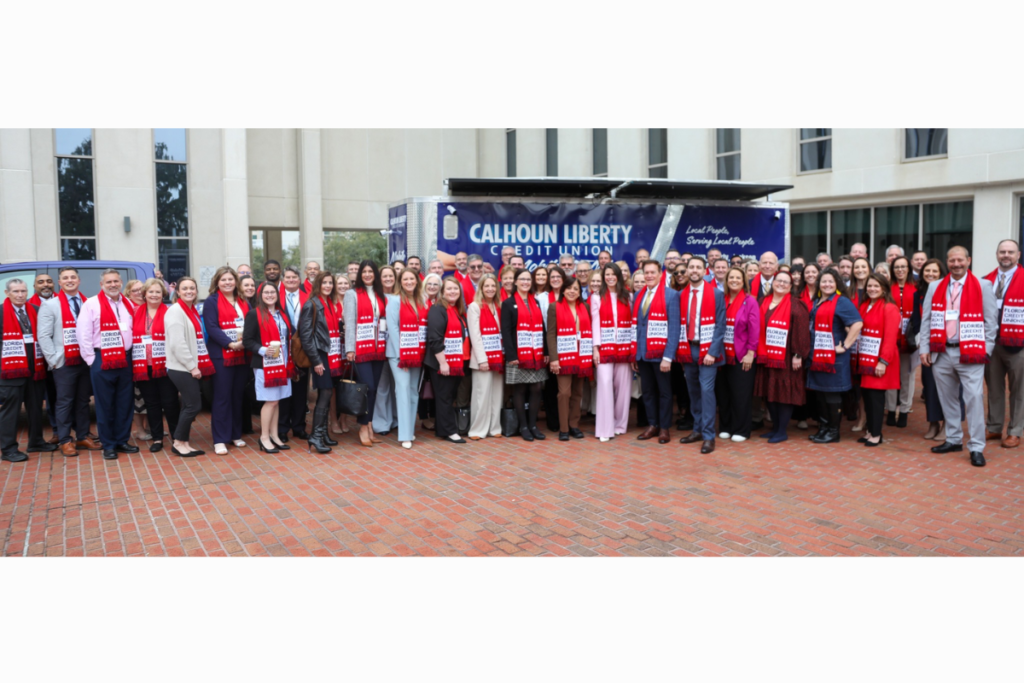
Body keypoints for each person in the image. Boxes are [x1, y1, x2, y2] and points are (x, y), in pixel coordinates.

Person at [920, 246, 997, 467]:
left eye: (960, 260)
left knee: (973, 399)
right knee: (948, 398)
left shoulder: (983, 286)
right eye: (952, 260)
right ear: (947, 262)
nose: (956, 264)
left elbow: (991, 323)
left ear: (968, 260)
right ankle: (953, 439)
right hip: (941, 351)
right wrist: (925, 348)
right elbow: (926, 320)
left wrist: (986, 350)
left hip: (970, 353)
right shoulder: (935, 286)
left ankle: (976, 447)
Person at [76, 269, 138, 461]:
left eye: (116, 281)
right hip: (102, 360)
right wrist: (91, 360)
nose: (113, 285)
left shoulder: (128, 303)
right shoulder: (92, 304)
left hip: (126, 360)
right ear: (102, 284)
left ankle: (121, 440)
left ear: (121, 283)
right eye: (108, 282)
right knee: (105, 405)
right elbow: (83, 334)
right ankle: (108, 444)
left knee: (125, 403)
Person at [37, 267, 99, 455]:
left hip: (85, 360)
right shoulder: (50, 305)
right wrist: (54, 360)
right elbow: (44, 336)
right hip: (64, 362)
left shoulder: (89, 303)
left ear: (79, 281)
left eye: (73, 277)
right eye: (65, 278)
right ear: (60, 282)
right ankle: (65, 439)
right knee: (64, 401)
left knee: (82, 401)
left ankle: (82, 436)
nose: (70, 280)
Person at [0, 279, 56, 462]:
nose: (20, 294)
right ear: (7, 293)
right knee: (11, 411)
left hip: (35, 369)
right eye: (15, 291)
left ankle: (36, 442)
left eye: (23, 291)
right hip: (11, 371)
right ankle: (8, 449)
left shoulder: (35, 310)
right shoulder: (0, 312)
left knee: (35, 408)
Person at [806, 269, 863, 444]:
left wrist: (845, 345)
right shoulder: (817, 301)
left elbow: (857, 323)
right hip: (818, 356)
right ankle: (823, 429)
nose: (827, 284)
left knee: (832, 395)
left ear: (837, 283)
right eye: (823, 281)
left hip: (834, 359)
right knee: (821, 394)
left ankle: (833, 432)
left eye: (831, 281)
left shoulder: (842, 302)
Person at [754, 270, 811, 444]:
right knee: (769, 391)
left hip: (786, 358)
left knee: (784, 394)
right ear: (773, 282)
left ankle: (782, 430)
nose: (781, 284)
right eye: (779, 280)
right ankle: (775, 428)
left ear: (790, 286)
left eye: (786, 282)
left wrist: (798, 354)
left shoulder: (796, 305)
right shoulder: (762, 301)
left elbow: (802, 333)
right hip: (766, 356)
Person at [676, 257, 726, 453]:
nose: (694, 270)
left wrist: (712, 352)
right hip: (688, 348)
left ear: (705, 270)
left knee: (706, 391)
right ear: (687, 270)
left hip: (708, 350)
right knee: (693, 391)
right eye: (691, 267)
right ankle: (696, 429)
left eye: (698, 267)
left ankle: (708, 435)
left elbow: (721, 326)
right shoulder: (681, 295)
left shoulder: (716, 294)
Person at [909, 258, 959, 440]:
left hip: (949, 345)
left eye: (934, 271)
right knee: (930, 386)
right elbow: (916, 321)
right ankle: (933, 423)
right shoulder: (918, 294)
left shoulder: (951, 292)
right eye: (927, 271)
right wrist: (922, 343)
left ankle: (948, 424)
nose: (930, 274)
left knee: (950, 387)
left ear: (941, 274)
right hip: (928, 347)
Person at [163, 276, 213, 458]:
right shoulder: (176, 311)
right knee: (193, 406)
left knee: (189, 405)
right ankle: (178, 442)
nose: (189, 291)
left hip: (188, 365)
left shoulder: (190, 310)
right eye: (185, 288)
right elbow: (178, 344)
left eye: (192, 288)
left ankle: (183, 442)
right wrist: (193, 366)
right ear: (178, 291)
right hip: (181, 367)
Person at [202, 266, 250, 455]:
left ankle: (235, 434)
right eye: (223, 280)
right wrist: (230, 344)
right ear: (217, 282)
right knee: (222, 397)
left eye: (230, 279)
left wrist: (248, 342)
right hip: (222, 355)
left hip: (243, 355)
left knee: (237, 395)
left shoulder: (244, 301)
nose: (227, 283)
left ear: (236, 282)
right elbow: (212, 327)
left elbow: (252, 323)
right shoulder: (211, 302)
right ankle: (220, 439)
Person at [243, 282, 294, 454]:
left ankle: (274, 435)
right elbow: (247, 341)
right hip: (265, 364)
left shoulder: (283, 314)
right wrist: (265, 350)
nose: (270, 295)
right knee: (270, 400)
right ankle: (264, 437)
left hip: (283, 363)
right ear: (260, 295)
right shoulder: (254, 314)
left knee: (277, 400)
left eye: (273, 292)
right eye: (266, 292)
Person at [633, 260, 680, 444]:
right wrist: (635, 353)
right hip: (643, 354)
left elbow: (674, 329)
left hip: (661, 355)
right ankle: (652, 424)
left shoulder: (671, 295)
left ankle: (664, 428)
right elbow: (635, 326)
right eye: (646, 272)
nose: (649, 276)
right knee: (648, 391)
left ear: (661, 274)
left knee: (665, 392)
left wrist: (668, 357)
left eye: (653, 272)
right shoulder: (638, 295)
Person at [130, 279, 179, 454]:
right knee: (151, 403)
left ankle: (176, 438)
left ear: (163, 294)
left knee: (170, 402)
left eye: (158, 292)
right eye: (151, 292)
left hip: (166, 365)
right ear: (145, 293)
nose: (154, 295)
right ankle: (157, 437)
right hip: (144, 365)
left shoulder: (170, 312)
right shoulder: (135, 312)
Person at [983, 239, 1024, 448]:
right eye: (1002, 252)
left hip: (1019, 344)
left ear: (1018, 255)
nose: (1006, 255)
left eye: (1010, 252)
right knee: (994, 388)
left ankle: (1015, 430)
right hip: (992, 343)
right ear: (997, 254)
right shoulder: (985, 280)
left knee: (1019, 390)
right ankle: (994, 427)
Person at [501, 268, 549, 441]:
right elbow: (505, 332)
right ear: (515, 282)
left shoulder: (535, 302)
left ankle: (533, 425)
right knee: (520, 389)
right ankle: (523, 427)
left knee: (536, 388)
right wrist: (512, 355)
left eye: (528, 279)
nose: (526, 282)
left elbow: (542, 329)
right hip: (518, 356)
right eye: (522, 279)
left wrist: (546, 351)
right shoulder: (508, 304)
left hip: (535, 354)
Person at [344, 260, 388, 447]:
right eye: (365, 272)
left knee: (375, 389)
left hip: (379, 349)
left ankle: (369, 425)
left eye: (371, 271)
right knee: (367, 387)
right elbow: (350, 322)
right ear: (359, 274)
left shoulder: (382, 295)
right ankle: (362, 426)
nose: (368, 274)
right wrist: (350, 349)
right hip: (361, 349)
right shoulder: (351, 294)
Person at [299, 271, 343, 453]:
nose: (328, 286)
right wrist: (316, 361)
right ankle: (315, 436)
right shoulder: (311, 305)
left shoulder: (329, 303)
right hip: (321, 357)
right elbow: (306, 336)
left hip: (332, 355)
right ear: (318, 284)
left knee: (328, 394)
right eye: (324, 282)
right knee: (324, 395)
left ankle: (323, 433)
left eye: (330, 283)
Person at [717, 266, 762, 443]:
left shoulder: (750, 301)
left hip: (742, 355)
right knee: (723, 393)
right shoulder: (721, 299)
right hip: (721, 355)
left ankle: (741, 429)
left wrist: (751, 352)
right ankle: (726, 427)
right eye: (731, 278)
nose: (734, 280)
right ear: (726, 281)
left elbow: (754, 328)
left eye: (738, 278)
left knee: (740, 394)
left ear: (744, 281)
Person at [382, 269, 426, 449]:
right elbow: (392, 328)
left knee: (414, 391)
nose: (409, 282)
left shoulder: (421, 300)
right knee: (403, 390)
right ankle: (405, 435)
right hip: (399, 354)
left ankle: (409, 428)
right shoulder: (393, 300)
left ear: (417, 281)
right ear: (400, 282)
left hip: (417, 353)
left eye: (412, 279)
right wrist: (403, 355)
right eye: (405, 279)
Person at [857, 274, 901, 447]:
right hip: (866, 357)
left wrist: (883, 361)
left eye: (876, 286)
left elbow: (890, 338)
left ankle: (876, 434)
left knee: (875, 397)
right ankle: (870, 431)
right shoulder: (865, 305)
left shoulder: (889, 308)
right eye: (869, 286)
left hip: (880, 359)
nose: (872, 289)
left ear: (884, 288)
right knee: (867, 396)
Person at [424, 278, 470, 444]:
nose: (452, 292)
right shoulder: (438, 309)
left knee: (448, 396)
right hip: (441, 361)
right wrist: (443, 363)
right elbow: (435, 339)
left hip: (456, 360)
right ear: (442, 292)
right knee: (444, 396)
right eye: (449, 289)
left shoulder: (458, 310)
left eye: (455, 289)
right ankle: (450, 431)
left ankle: (442, 428)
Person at [546, 276, 591, 441]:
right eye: (569, 288)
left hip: (582, 355)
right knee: (564, 392)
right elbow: (550, 334)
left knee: (577, 392)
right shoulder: (554, 307)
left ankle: (574, 425)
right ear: (563, 290)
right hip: (563, 356)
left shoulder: (585, 306)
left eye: (576, 289)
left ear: (580, 292)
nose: (572, 292)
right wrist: (554, 358)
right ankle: (563, 428)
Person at [467, 273, 504, 441]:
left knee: (497, 394)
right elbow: (475, 336)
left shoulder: (499, 306)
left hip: (498, 357)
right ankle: (478, 429)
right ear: (481, 288)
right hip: (482, 359)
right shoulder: (474, 307)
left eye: (493, 286)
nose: (490, 289)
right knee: (481, 396)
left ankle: (494, 427)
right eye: (486, 286)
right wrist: (482, 359)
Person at [885, 256, 917, 428]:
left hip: (910, 341)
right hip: (891, 339)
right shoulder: (888, 288)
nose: (900, 270)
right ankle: (890, 410)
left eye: (903, 266)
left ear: (908, 269)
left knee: (907, 377)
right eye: (897, 267)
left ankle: (904, 411)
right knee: (891, 376)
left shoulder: (916, 287)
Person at [278, 266, 309, 441]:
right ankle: (282, 428)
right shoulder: (275, 297)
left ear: (299, 280)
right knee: (284, 390)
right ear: (283, 280)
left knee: (300, 391)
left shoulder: (308, 297)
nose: (291, 280)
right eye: (288, 277)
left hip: (302, 349)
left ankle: (298, 426)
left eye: (294, 277)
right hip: (282, 349)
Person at [417, 273, 442, 431]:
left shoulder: (441, 303)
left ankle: (433, 415)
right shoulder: (419, 301)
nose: (432, 287)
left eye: (436, 284)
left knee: (434, 384)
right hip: (420, 349)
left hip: (436, 349)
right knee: (421, 384)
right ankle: (424, 417)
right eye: (429, 284)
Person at [329, 272, 352, 435]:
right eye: (340, 283)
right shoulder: (330, 303)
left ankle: (344, 418)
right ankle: (333, 420)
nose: (343, 286)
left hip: (349, 350)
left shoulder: (353, 302)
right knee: (333, 388)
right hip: (334, 351)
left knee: (347, 384)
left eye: (346, 283)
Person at [238, 274, 259, 434]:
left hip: (255, 353)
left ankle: (247, 424)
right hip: (240, 353)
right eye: (246, 285)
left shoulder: (257, 304)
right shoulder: (238, 305)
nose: (250, 288)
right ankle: (244, 425)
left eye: (252, 285)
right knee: (243, 391)